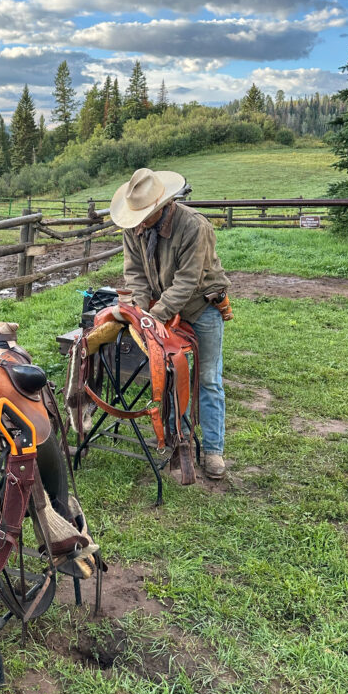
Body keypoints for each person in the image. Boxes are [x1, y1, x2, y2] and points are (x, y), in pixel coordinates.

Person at [109, 168, 232, 478]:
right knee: (168, 375)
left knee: (208, 378)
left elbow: (188, 280)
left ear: (162, 206)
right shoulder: (134, 227)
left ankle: (214, 450)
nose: (140, 220)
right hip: (160, 307)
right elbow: (135, 272)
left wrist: (155, 315)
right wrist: (141, 307)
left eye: (146, 214)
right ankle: (180, 438)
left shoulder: (193, 226)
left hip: (201, 305)